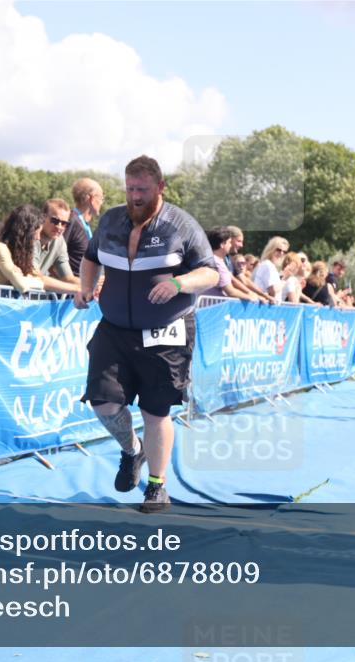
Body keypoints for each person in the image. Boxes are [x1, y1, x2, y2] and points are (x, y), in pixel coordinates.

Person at [75, 155, 217, 513]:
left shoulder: (181, 225)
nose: (135, 196)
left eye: (143, 189)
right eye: (130, 189)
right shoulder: (111, 221)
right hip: (114, 330)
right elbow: (90, 257)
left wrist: (178, 283)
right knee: (103, 402)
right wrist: (86, 287)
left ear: (160, 187)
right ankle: (132, 450)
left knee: (155, 413)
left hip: (166, 333)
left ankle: (157, 486)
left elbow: (211, 273)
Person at [0, 204, 46, 293]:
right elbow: (22, 285)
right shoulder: (0, 249)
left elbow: (37, 280)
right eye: (36, 233)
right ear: (26, 232)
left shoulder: (19, 253)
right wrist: (33, 280)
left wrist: (24, 278)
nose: (38, 238)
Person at [205, 227, 263, 302]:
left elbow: (238, 281)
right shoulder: (218, 263)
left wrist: (253, 294)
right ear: (222, 244)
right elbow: (230, 291)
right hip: (213, 306)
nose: (230, 245)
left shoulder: (208, 259)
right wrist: (250, 297)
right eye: (229, 242)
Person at [66, 178, 104, 275]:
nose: (101, 202)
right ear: (91, 198)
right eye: (101, 198)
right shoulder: (71, 221)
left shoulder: (83, 223)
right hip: (72, 283)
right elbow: (55, 256)